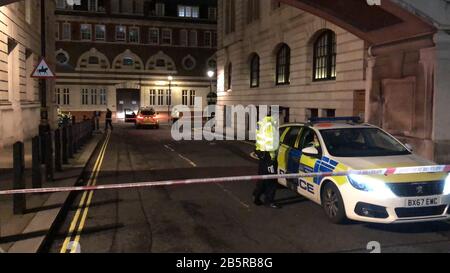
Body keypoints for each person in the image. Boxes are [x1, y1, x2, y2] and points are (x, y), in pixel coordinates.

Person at [253, 115, 281, 209]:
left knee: (262, 178)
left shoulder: (261, 123)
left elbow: (258, 139)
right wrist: (273, 157)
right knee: (272, 181)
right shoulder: (271, 126)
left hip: (261, 154)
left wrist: (258, 151)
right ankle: (269, 201)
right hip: (269, 156)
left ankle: (256, 196)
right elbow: (272, 144)